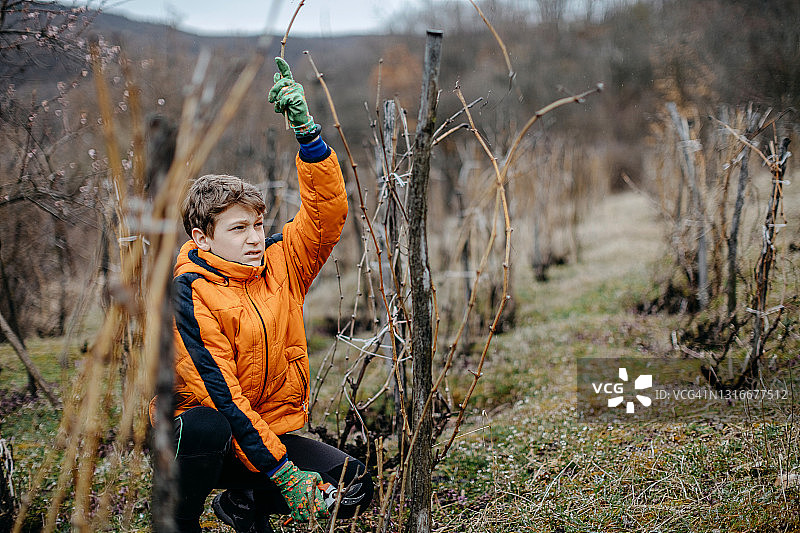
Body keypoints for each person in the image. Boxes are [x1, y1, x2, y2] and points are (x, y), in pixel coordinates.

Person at [152, 57, 373, 533]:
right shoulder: (187, 293)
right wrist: (284, 473)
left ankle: (243, 504)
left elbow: (326, 217)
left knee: (354, 484)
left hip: (266, 436)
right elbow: (224, 398)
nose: (255, 238)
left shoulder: (279, 263)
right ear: (202, 237)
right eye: (239, 229)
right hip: (206, 443)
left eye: (257, 224)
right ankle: (179, 521)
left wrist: (308, 136)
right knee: (207, 424)